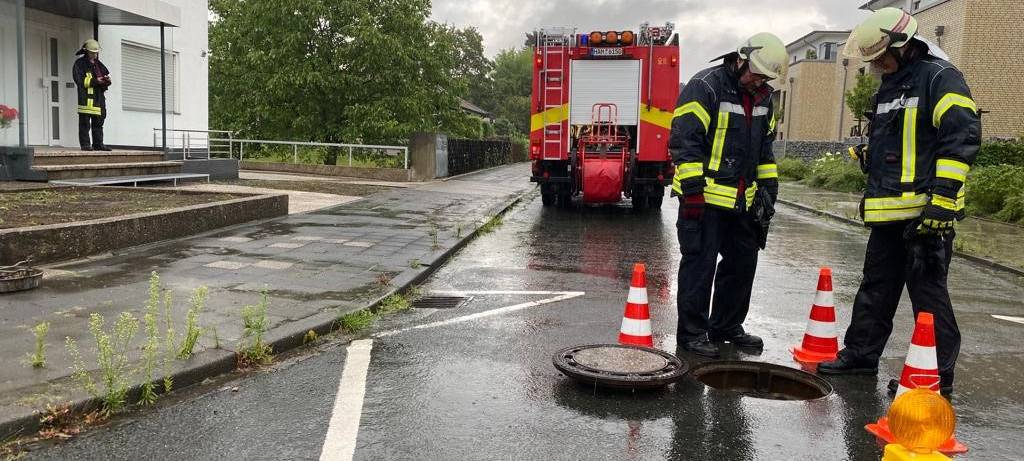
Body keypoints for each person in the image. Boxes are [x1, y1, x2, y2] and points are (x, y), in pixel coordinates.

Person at [817, 7, 980, 396]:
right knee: (876, 287)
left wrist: (942, 201)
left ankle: (935, 379)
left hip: (926, 217)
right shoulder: (893, 84)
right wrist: (871, 157)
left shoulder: (940, 79)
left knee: (928, 298)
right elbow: (903, 143)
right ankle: (860, 356)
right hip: (889, 212)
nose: (876, 64)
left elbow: (961, 139)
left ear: (904, 46)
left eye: (880, 56)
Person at [668, 33, 786, 358]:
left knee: (742, 266)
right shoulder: (706, 86)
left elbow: (765, 151)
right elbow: (684, 140)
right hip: (703, 201)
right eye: (755, 73)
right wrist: (692, 193)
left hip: (743, 203)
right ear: (741, 59)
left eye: (764, 76)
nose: (758, 80)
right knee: (699, 266)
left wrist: (768, 193)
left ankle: (726, 326)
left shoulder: (763, 98)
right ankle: (692, 334)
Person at [73, 39, 112, 151]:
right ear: (86, 51)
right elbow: (79, 80)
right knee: (85, 124)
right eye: (92, 52)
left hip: (99, 100)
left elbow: (105, 76)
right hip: (86, 100)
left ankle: (98, 144)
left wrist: (107, 80)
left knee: (99, 123)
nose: (94, 54)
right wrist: (96, 81)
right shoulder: (79, 64)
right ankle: (85, 145)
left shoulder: (98, 64)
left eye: (96, 52)